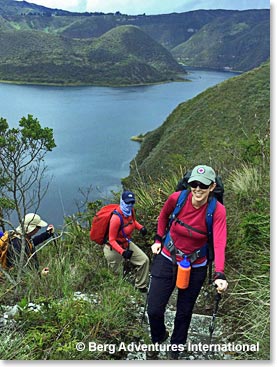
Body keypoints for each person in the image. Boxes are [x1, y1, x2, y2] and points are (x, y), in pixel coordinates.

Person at [147, 165, 228, 359]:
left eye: (203, 185)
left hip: (196, 265)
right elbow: (163, 216)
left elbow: (219, 241)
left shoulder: (217, 211)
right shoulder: (177, 199)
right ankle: (158, 337)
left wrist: (220, 273)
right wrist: (158, 239)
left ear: (212, 187)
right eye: (194, 184)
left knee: (184, 312)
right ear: (188, 184)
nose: (198, 189)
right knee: (154, 309)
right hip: (168, 256)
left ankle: (175, 349)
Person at [103, 190, 150, 293]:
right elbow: (111, 240)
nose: (130, 205)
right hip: (113, 249)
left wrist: (141, 228)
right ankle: (116, 294)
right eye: (127, 202)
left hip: (126, 243)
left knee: (144, 260)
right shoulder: (116, 218)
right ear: (122, 202)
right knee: (116, 276)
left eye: (132, 202)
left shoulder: (130, 211)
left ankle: (140, 286)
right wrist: (123, 252)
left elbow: (132, 222)